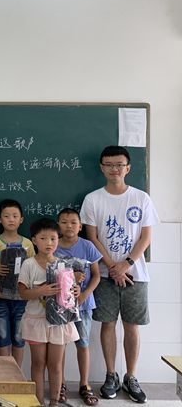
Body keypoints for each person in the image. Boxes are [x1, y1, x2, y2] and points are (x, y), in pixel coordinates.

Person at [80, 146, 159, 403]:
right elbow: (92, 237)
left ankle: (131, 377)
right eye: (109, 164)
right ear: (101, 167)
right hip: (103, 275)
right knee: (108, 324)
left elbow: (145, 238)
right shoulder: (93, 199)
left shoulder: (141, 198)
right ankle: (111, 375)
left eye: (119, 164)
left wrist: (126, 263)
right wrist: (113, 267)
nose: (114, 169)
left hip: (136, 274)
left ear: (128, 167)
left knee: (131, 326)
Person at [18, 218, 81, 406]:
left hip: (58, 322)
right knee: (38, 363)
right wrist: (41, 291)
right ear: (34, 240)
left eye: (53, 238)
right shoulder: (28, 264)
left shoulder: (63, 264)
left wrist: (76, 291)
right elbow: (22, 293)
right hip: (36, 320)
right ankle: (38, 401)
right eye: (43, 238)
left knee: (56, 364)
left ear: (58, 240)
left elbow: (69, 294)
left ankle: (54, 401)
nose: (49, 243)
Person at [56, 208, 102, 405]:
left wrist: (83, 295)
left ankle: (84, 384)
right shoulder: (53, 245)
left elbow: (97, 276)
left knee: (82, 343)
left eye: (73, 222)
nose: (69, 226)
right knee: (60, 345)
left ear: (80, 226)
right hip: (59, 306)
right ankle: (60, 383)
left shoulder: (88, 246)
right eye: (64, 222)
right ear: (58, 225)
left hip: (83, 305)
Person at [0, 199, 35, 367]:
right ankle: (4, 373)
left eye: (15, 216)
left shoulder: (28, 244)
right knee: (2, 336)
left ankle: (17, 372)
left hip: (21, 299)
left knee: (19, 337)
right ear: (0, 219)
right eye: (6, 216)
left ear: (21, 219)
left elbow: (34, 266)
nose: (11, 219)